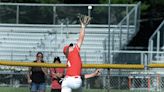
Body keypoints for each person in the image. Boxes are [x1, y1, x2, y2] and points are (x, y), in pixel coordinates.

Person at [61, 15, 91, 92]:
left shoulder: (70, 58)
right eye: (70, 47)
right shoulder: (74, 52)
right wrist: (83, 26)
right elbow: (81, 38)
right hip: (75, 81)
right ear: (68, 51)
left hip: (67, 81)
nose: (72, 46)